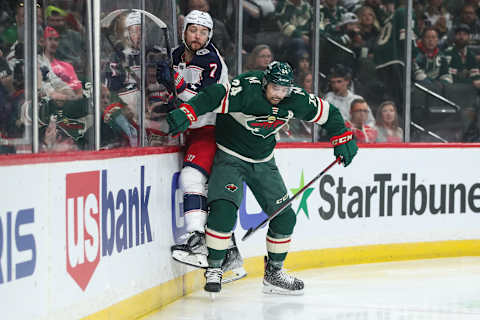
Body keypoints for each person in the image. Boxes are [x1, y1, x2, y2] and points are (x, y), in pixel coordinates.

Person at [165, 61, 358, 295]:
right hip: (230, 157)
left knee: (285, 217)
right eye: (275, 88)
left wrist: (342, 137)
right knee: (224, 210)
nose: (279, 94)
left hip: (264, 161)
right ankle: (215, 267)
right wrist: (189, 111)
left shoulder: (294, 98)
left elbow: (329, 113)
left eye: (284, 89)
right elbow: (214, 94)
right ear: (265, 82)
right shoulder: (246, 90)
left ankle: (274, 273)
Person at [162, 9, 247, 282]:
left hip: (213, 128)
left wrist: (174, 84)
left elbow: (204, 100)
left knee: (192, 177)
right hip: (195, 130)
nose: (197, 36)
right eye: (192, 30)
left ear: (209, 35)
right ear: (184, 31)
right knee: (210, 191)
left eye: (203, 32)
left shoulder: (211, 60)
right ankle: (230, 257)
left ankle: (197, 239)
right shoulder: (175, 54)